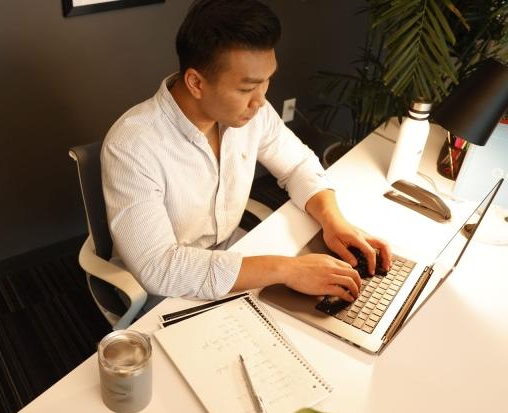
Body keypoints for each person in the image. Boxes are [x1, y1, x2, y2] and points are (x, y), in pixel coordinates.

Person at [101, 0, 391, 309]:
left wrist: (334, 221)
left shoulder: (251, 112)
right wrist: (285, 269)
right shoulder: (131, 147)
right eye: (246, 88)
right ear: (196, 82)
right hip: (164, 290)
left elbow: (297, 164)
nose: (260, 100)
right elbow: (159, 269)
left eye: (267, 81)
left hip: (231, 252)